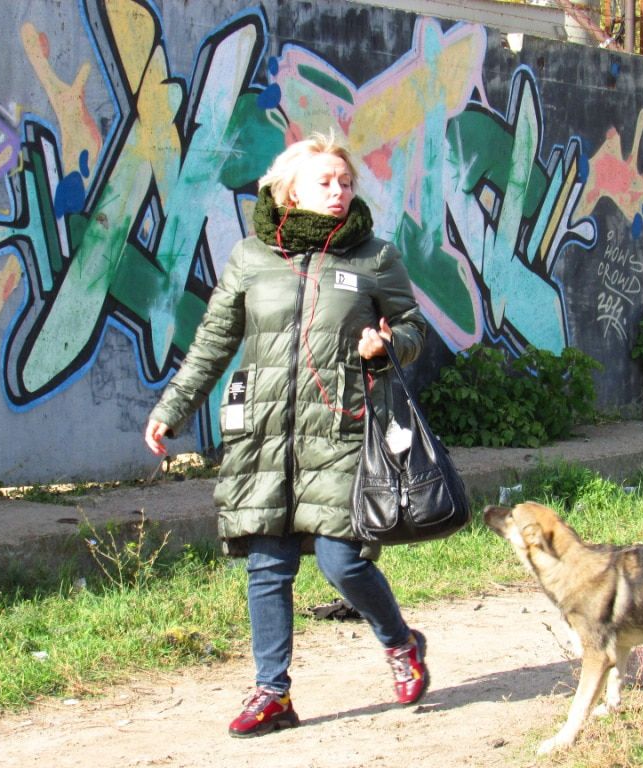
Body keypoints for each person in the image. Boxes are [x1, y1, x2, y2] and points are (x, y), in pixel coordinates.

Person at [144, 131, 430, 738]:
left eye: (345, 183)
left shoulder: (373, 257)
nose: (338, 191)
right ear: (289, 191)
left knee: (342, 561)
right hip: (263, 433)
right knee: (267, 564)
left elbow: (412, 327)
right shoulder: (251, 257)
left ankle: (400, 642)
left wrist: (387, 345)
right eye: (324, 182)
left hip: (343, 430)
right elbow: (214, 340)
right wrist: (174, 406)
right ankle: (272, 692)